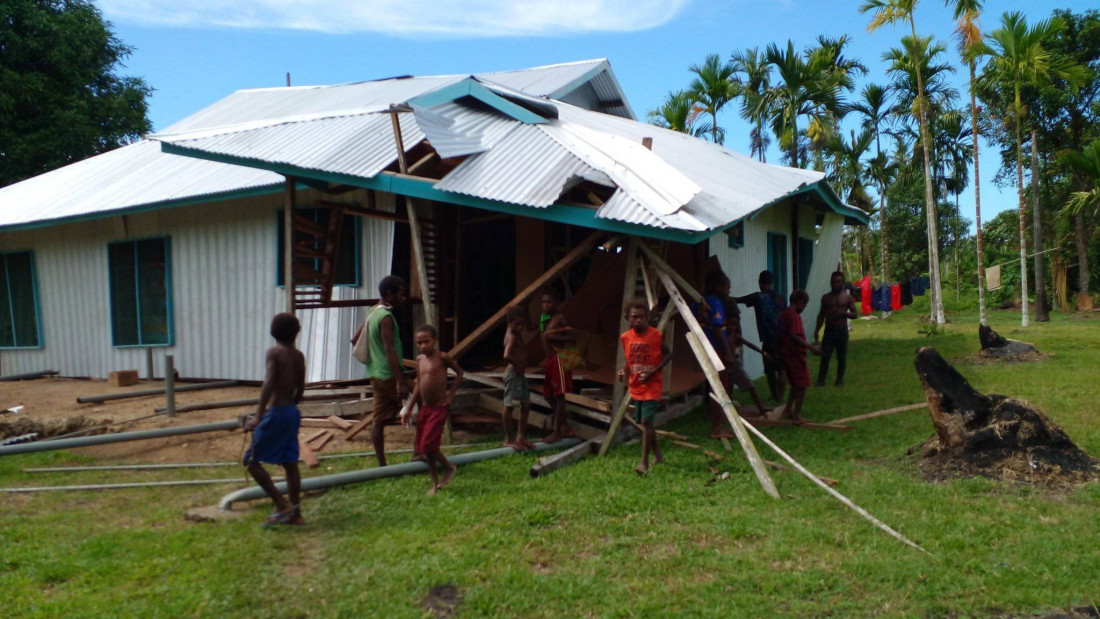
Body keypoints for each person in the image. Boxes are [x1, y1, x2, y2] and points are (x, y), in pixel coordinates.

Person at [242, 312, 307, 527]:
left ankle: (282, 504)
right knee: (290, 463)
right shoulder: (298, 356)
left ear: (273, 331)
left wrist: (259, 416)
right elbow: (301, 389)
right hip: (291, 412)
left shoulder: (274, 352)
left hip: (277, 412)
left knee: (250, 460)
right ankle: (295, 514)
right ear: (295, 333)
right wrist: (291, 406)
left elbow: (269, 382)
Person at [402, 324, 463, 495]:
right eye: (419, 343)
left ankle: (449, 467)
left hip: (439, 407)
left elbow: (459, 373)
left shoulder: (442, 357)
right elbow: (418, 386)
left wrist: (450, 396)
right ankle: (435, 483)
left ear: (435, 341)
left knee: (429, 445)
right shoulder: (420, 360)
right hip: (425, 408)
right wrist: (409, 408)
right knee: (424, 448)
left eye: (426, 342)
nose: (422, 346)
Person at [619, 300, 671, 476]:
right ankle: (659, 456)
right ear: (628, 318)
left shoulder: (655, 335)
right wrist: (624, 371)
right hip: (636, 385)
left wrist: (654, 371)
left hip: (652, 385)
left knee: (647, 422)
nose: (638, 320)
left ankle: (644, 462)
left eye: (642, 317)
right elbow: (629, 359)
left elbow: (668, 354)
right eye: (634, 317)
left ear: (647, 318)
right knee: (645, 423)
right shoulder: (625, 337)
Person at [364, 275, 410, 467]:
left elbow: (355, 338)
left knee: (379, 420)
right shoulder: (386, 319)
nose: (404, 298)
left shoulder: (373, 312)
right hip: (389, 374)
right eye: (401, 294)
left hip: (375, 373)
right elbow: (389, 349)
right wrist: (400, 381)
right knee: (422, 406)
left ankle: (382, 465)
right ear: (389, 294)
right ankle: (420, 454)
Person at [695, 270, 736, 439]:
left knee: (715, 386)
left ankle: (717, 422)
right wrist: (728, 353)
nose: (728, 291)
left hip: (706, 349)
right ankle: (716, 427)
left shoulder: (700, 301)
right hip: (716, 350)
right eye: (726, 287)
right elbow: (718, 330)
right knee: (719, 387)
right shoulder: (715, 302)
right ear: (717, 287)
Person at [737, 270, 787, 403]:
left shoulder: (758, 297)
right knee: (781, 368)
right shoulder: (780, 297)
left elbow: (738, 300)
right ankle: (780, 397)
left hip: (769, 339)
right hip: (782, 337)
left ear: (759, 282)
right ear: (771, 282)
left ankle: (775, 394)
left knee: (770, 368)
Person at [721, 296, 773, 416]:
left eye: (735, 325)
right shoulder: (726, 336)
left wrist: (763, 353)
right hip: (731, 365)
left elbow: (749, 344)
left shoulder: (733, 335)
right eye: (732, 324)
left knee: (742, 388)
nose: (733, 327)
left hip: (734, 365)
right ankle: (760, 408)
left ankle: (760, 408)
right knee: (747, 387)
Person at [778, 290, 821, 422]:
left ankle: (788, 410)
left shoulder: (784, 314)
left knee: (795, 385)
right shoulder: (794, 316)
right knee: (802, 385)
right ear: (800, 302)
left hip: (786, 353)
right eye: (805, 305)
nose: (804, 308)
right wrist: (811, 347)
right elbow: (795, 336)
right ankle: (797, 416)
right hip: (795, 355)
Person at [539, 290, 575, 443]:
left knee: (559, 396)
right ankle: (565, 426)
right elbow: (528, 327)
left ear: (556, 303)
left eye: (549, 301)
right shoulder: (544, 319)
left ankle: (557, 432)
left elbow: (573, 337)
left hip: (561, 357)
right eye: (543, 302)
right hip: (551, 360)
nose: (546, 305)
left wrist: (554, 337)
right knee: (547, 394)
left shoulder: (560, 318)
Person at [814, 271, 858, 387]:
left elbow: (855, 314)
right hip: (829, 331)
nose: (835, 284)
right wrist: (816, 330)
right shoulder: (826, 298)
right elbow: (821, 315)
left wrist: (843, 313)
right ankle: (821, 380)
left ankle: (839, 380)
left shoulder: (847, 297)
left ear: (842, 282)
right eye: (833, 282)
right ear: (830, 283)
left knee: (841, 357)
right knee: (825, 356)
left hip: (842, 330)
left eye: (838, 282)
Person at [501, 305, 534, 450]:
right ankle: (509, 439)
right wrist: (517, 365)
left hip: (520, 374)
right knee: (509, 405)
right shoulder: (511, 336)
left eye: (522, 324)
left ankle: (521, 436)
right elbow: (506, 355)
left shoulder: (516, 333)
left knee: (526, 404)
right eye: (517, 324)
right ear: (509, 323)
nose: (520, 327)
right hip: (513, 374)